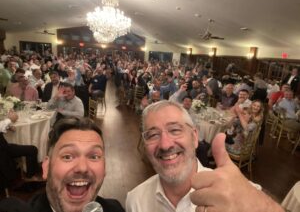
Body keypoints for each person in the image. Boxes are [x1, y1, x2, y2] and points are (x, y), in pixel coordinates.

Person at [126, 100, 284, 212]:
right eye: (152, 135)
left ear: (195, 137)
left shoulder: (239, 195)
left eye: (175, 130)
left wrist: (264, 207)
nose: (165, 144)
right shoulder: (135, 200)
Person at [0, 117, 125, 212]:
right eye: (67, 156)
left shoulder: (115, 208)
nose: (82, 168)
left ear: (104, 169)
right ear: (46, 167)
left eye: (94, 156)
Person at [0, 110, 40, 189]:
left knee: (32, 150)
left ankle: (30, 177)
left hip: (4, 147)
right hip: (2, 152)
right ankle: (13, 182)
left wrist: (7, 126)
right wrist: (9, 120)